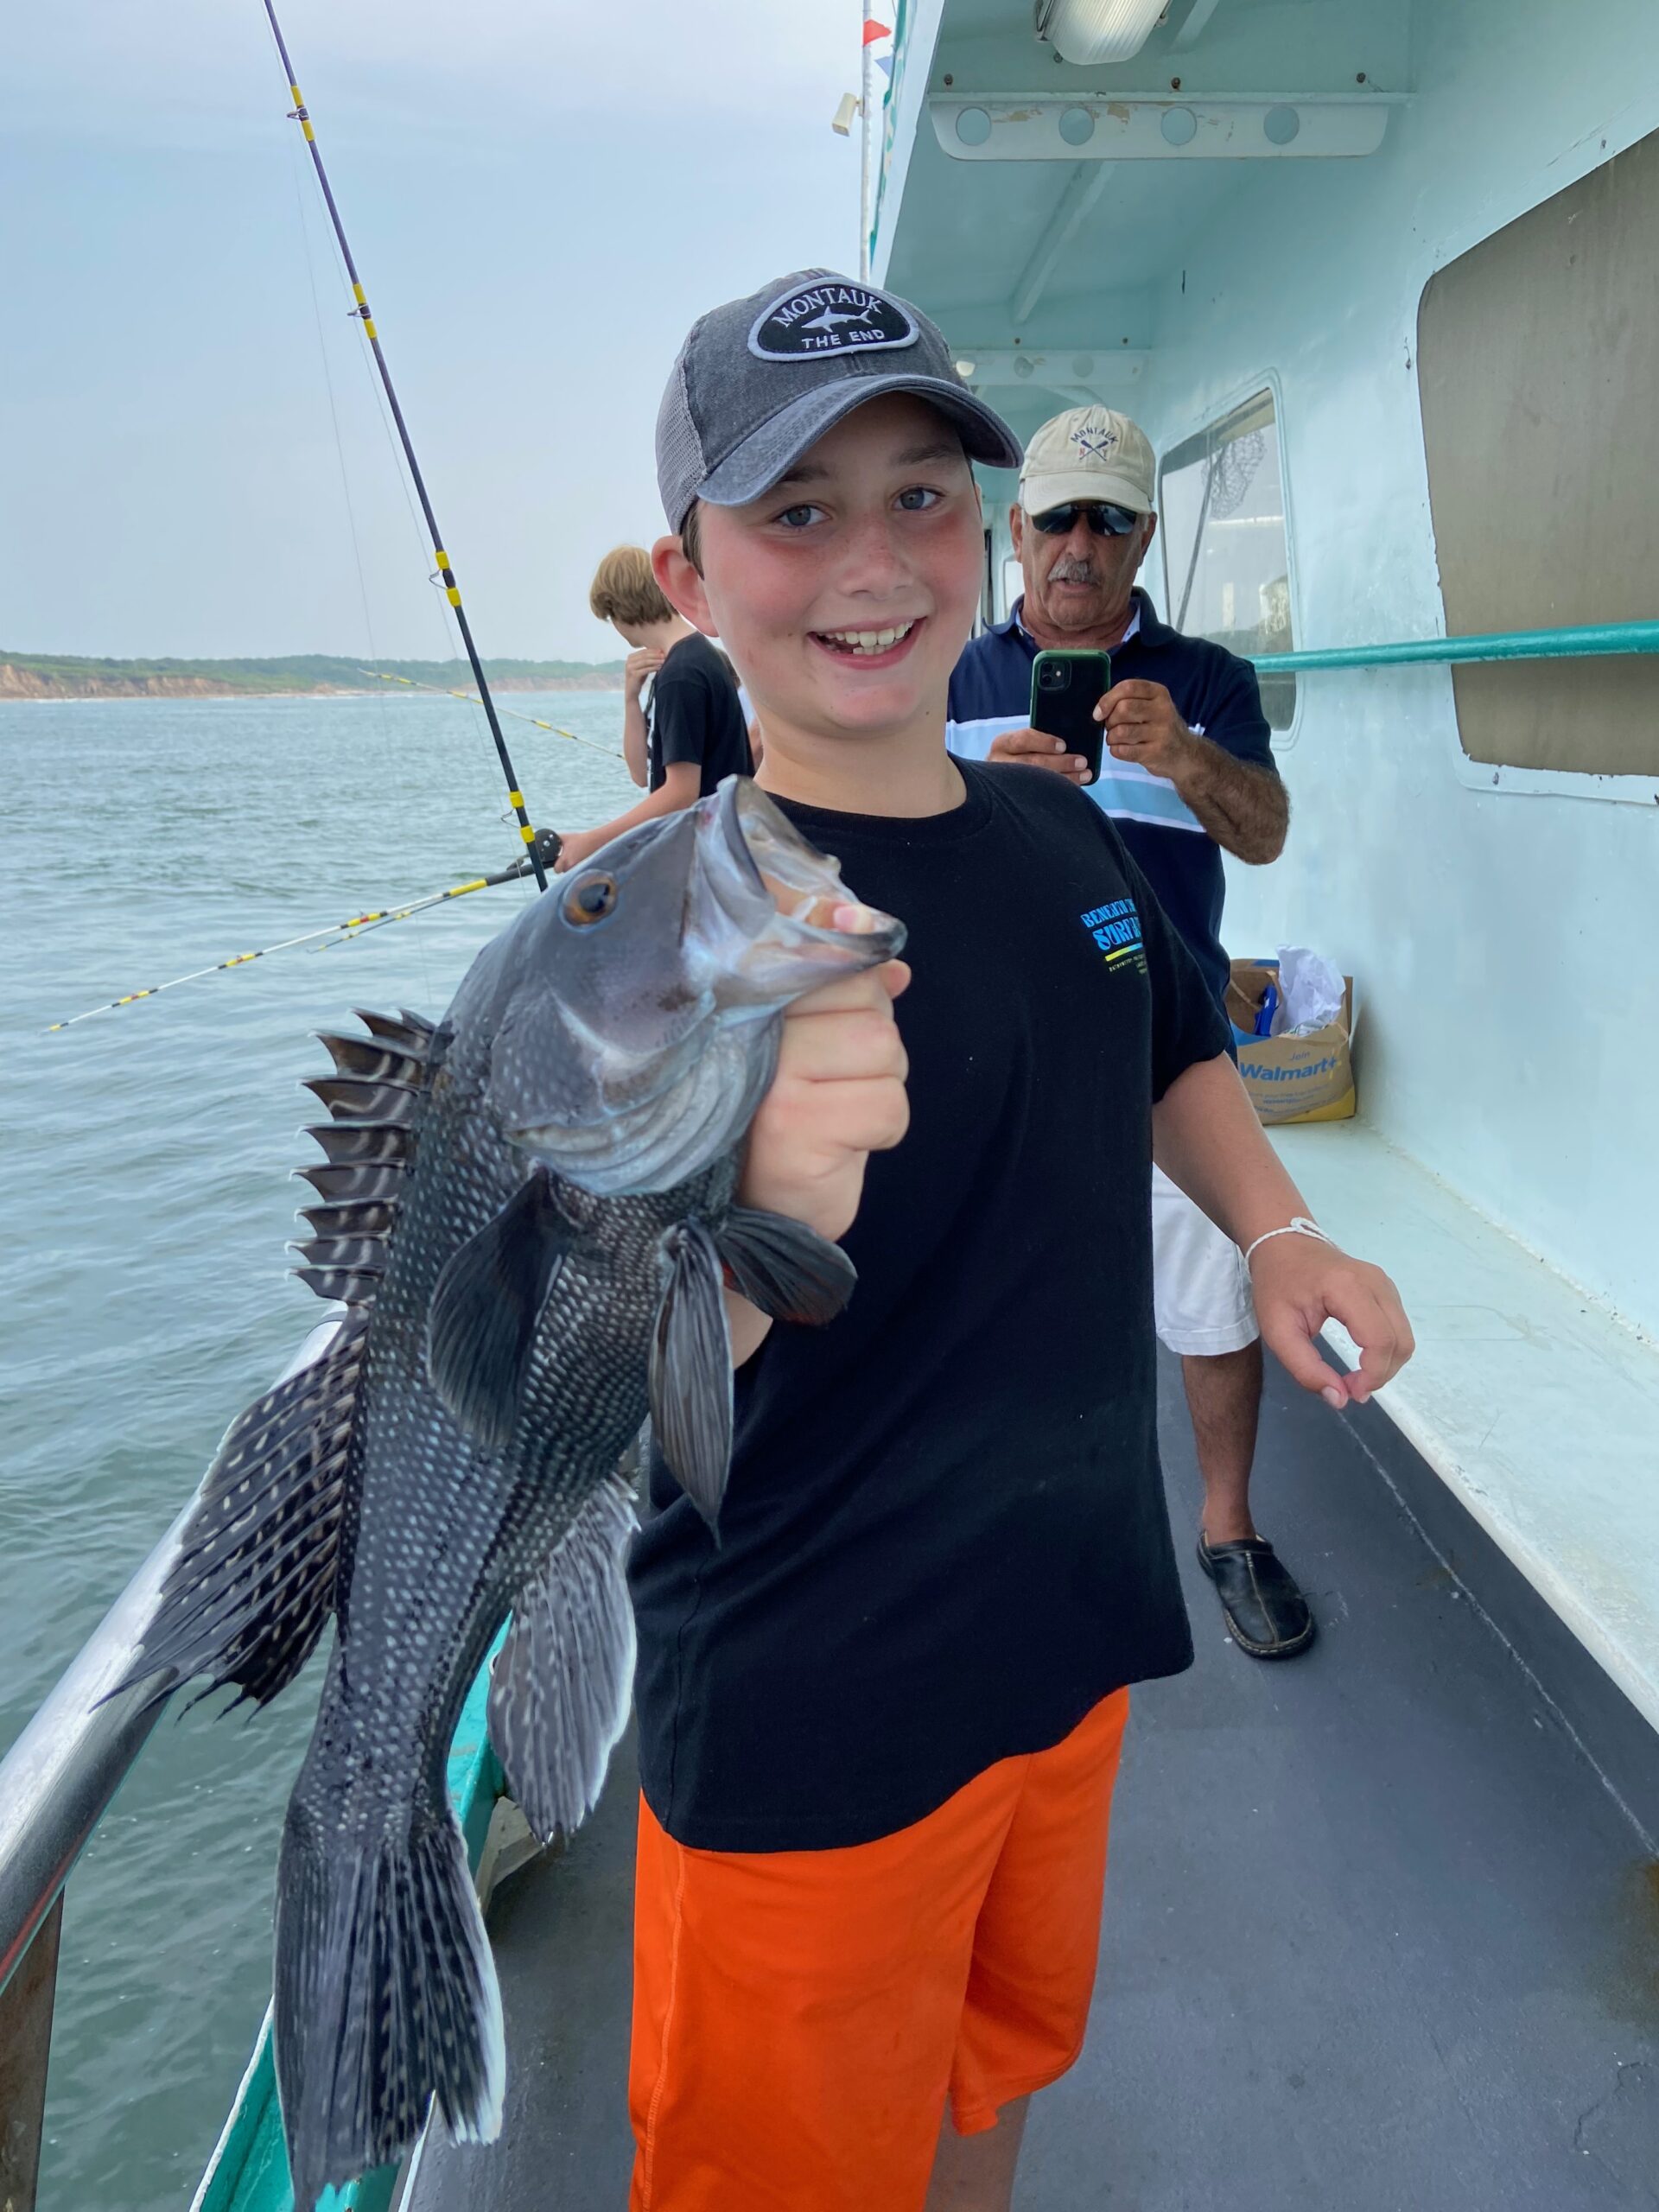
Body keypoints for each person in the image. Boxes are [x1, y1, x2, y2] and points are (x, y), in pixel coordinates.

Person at [608, 269, 1414, 2212]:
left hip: (1067, 1636)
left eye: (919, 495)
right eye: (796, 510)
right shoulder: (661, 944)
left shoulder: (1070, 844)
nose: (871, 560)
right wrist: (763, 1215)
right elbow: (601, 1381)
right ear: (694, 578)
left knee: (997, 2079)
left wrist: (1279, 1229)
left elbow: (1169, 1043)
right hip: (814, 1707)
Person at [947, 406, 1310, 1661]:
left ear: (1145, 535)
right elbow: (873, 850)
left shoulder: (1207, 680)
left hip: (1171, 1048)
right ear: (1018, 530)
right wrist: (979, 791)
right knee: (999, 1295)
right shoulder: (952, 675)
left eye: (1110, 520)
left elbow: (1263, 834)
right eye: (1059, 517)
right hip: (1003, 1046)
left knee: (1213, 1298)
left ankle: (1227, 1528)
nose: (1081, 545)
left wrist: (1187, 753)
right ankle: (1015, 1517)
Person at [554, 543, 752, 874]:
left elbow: (681, 793)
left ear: (616, 607)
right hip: (723, 848)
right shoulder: (692, 659)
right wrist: (631, 698)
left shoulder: (682, 675)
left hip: (708, 858)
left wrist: (592, 842)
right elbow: (639, 773)